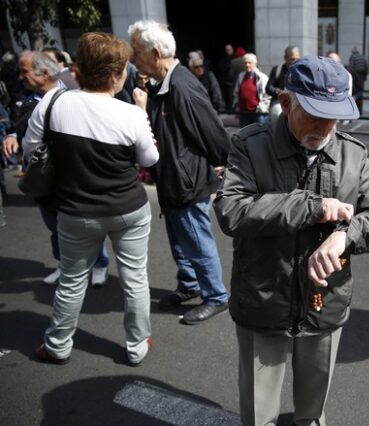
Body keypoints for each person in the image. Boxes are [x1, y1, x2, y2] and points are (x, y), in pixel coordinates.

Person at [214, 55, 369, 425]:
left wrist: (344, 237)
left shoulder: (352, 153)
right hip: (263, 301)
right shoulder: (250, 145)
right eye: (314, 113)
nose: (325, 126)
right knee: (258, 413)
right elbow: (231, 210)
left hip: (325, 302)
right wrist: (312, 207)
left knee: (312, 414)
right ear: (285, 104)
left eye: (334, 116)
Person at [25, 32, 159, 365]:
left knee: (71, 280)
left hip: (75, 210)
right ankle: (137, 344)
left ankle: (58, 344)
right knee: (135, 278)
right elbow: (149, 159)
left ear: (80, 70)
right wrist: (142, 112)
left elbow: (31, 149)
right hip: (128, 208)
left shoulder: (54, 102)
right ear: (115, 75)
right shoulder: (129, 113)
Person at [128, 20, 231, 325]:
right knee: (180, 240)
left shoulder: (182, 85)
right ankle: (189, 286)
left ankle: (215, 295)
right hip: (173, 180)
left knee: (197, 241)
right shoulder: (162, 84)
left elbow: (214, 132)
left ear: (156, 52)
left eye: (137, 51)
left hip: (188, 183)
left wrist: (224, 164)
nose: (134, 58)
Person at [2, 50, 111, 286]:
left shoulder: (72, 93)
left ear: (43, 73)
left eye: (25, 71)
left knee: (88, 225)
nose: (21, 77)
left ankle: (99, 264)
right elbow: (23, 131)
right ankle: (64, 264)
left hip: (73, 177)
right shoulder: (30, 100)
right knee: (55, 225)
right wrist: (12, 134)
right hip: (44, 179)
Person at [232, 52, 269, 127]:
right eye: (245, 63)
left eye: (249, 63)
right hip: (244, 113)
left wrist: (262, 107)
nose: (247, 65)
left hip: (257, 113)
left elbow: (267, 95)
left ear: (255, 64)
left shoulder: (262, 77)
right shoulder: (241, 76)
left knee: (259, 135)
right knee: (244, 135)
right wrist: (236, 106)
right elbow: (236, 93)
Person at [266, 45, 300, 121]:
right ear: (285, 58)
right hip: (279, 103)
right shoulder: (277, 70)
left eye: (297, 59)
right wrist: (280, 92)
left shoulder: (301, 72)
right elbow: (268, 87)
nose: (295, 61)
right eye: (292, 59)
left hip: (296, 104)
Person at [348, 46, 367, 114]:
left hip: (355, 77)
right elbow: (366, 67)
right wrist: (365, 78)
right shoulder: (363, 57)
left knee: (355, 92)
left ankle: (353, 110)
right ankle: (360, 111)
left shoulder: (352, 57)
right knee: (361, 92)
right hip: (362, 77)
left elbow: (350, 68)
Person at [218, 44, 234, 111]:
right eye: (227, 50)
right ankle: (229, 109)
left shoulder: (235, 58)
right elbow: (220, 68)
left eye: (230, 49)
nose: (229, 51)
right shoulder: (224, 59)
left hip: (233, 81)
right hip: (226, 81)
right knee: (228, 97)